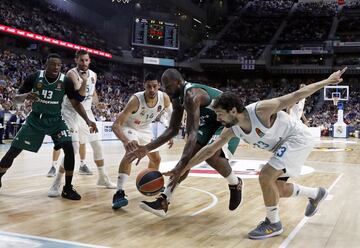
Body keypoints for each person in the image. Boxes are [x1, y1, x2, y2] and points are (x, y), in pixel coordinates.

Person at [167, 68, 347, 239]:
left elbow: (296, 95)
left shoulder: (261, 110)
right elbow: (209, 150)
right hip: (283, 145)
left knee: (266, 176)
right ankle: (316, 194)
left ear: (233, 110)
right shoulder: (232, 128)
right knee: (277, 189)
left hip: (297, 139)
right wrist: (183, 168)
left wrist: (328, 81)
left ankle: (273, 223)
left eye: (220, 114)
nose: (218, 119)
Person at [129, 69, 243, 217]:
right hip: (209, 122)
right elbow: (172, 130)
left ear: (179, 82)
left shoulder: (191, 95)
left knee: (210, 154)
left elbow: (192, 134)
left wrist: (180, 165)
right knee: (187, 158)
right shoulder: (177, 98)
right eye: (165, 88)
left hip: (228, 120)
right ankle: (164, 200)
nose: (167, 92)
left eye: (169, 87)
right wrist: (146, 149)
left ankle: (235, 183)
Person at [0, 53, 97, 200]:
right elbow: (16, 98)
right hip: (35, 120)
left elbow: (76, 103)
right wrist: (26, 96)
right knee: (14, 151)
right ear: (46, 64)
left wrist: (88, 120)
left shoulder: (65, 81)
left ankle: (67, 188)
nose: (56, 67)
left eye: (58, 65)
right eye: (53, 64)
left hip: (56, 121)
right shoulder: (34, 77)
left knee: (70, 149)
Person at [48, 50, 115, 197]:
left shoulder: (94, 74)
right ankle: (57, 182)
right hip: (70, 113)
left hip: (87, 112)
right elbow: (79, 95)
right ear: (76, 60)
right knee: (73, 148)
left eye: (86, 60)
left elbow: (93, 92)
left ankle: (103, 178)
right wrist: (84, 81)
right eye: (81, 60)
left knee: (98, 145)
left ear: (89, 61)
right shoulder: (71, 75)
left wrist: (98, 104)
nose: (84, 63)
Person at [111, 72, 173, 209]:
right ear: (144, 86)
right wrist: (126, 141)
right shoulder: (136, 100)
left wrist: (171, 132)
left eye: (154, 86)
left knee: (156, 159)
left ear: (159, 86)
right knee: (131, 153)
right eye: (148, 87)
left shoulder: (164, 98)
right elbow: (116, 125)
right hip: (129, 126)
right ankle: (119, 193)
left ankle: (152, 183)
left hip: (145, 128)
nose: (152, 90)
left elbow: (172, 116)